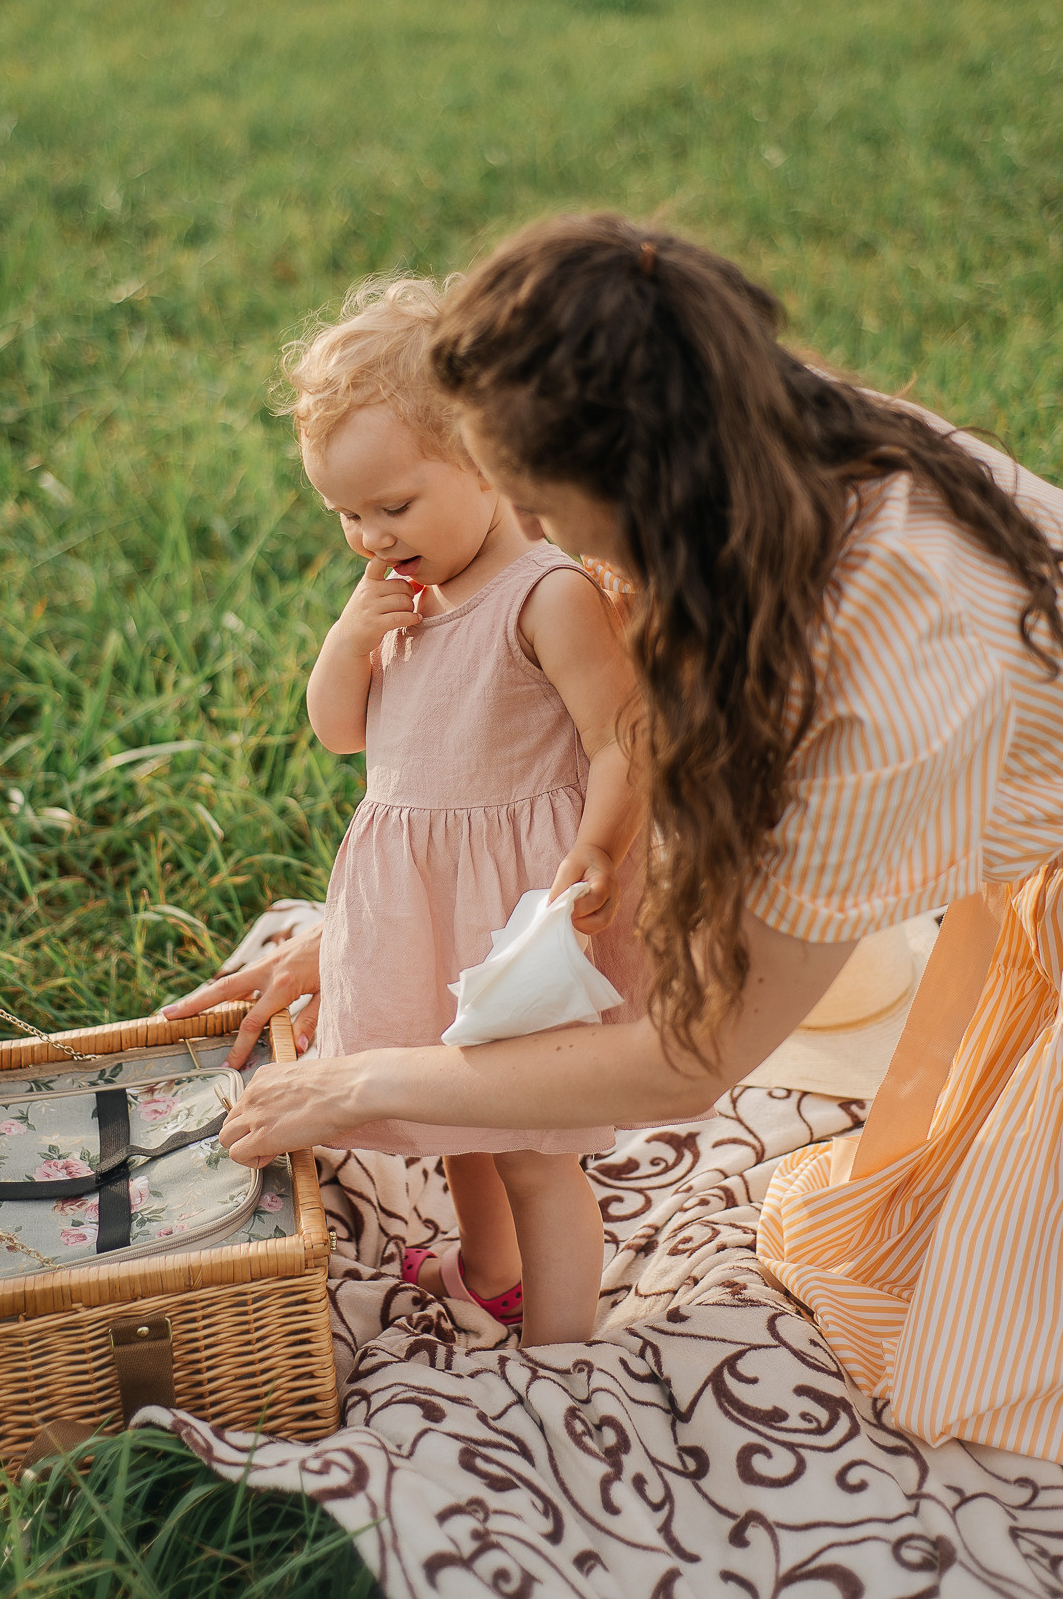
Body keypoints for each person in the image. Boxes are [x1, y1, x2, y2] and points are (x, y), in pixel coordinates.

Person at [201, 212, 1063, 1456]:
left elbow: (689, 1061)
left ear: (638, 481)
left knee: (978, 1338)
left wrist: (361, 1078)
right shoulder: (735, 431)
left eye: (540, 503)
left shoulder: (889, 682)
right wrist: (361, 936)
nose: (526, 531)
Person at [199, 276, 644, 1346]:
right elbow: (339, 731)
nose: (366, 536)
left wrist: (599, 843)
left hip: (515, 913)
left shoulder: (544, 595)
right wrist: (347, 640)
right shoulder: (398, 594)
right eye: (344, 514)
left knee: (531, 1148)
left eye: (391, 507)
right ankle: (490, 1269)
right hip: (428, 911)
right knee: (458, 1116)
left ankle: (563, 1350)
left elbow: (621, 737)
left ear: (489, 462)